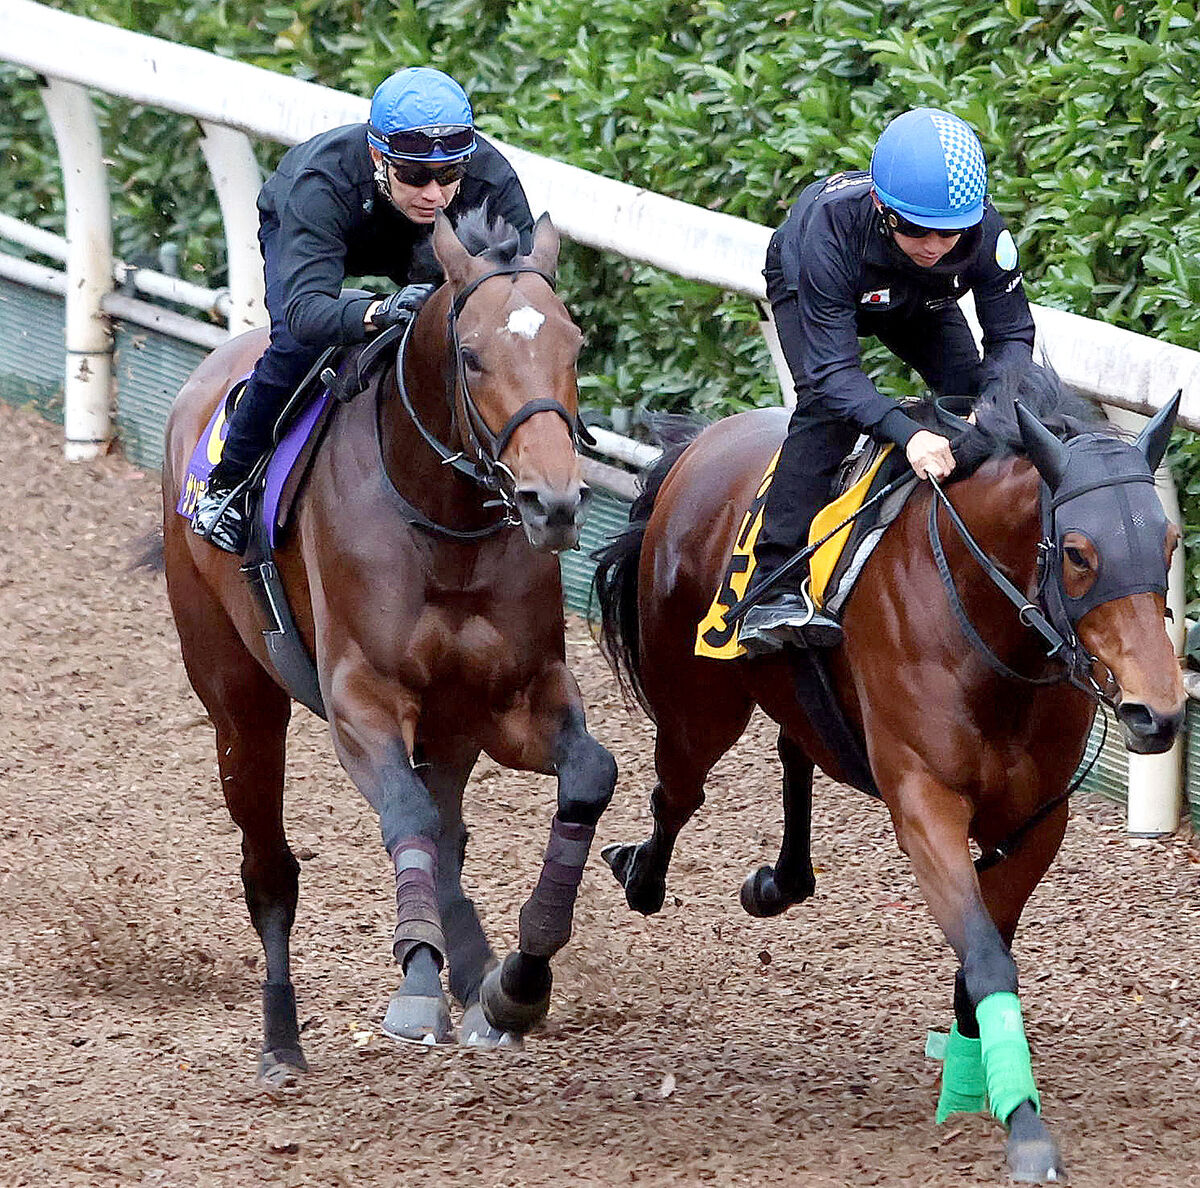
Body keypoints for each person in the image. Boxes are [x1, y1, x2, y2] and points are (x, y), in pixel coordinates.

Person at [192, 66, 535, 553]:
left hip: (423, 246)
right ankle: (229, 483)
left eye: (450, 175)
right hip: (337, 227)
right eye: (415, 175)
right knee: (296, 345)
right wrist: (379, 311)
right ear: (378, 155)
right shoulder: (319, 182)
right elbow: (306, 314)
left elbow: (522, 299)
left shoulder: (490, 179)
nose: (434, 194)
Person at [738, 107, 1035, 654]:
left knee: (972, 402)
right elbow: (834, 375)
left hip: (917, 300)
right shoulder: (830, 231)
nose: (932, 246)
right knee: (825, 411)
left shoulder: (987, 234)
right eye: (913, 228)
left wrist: (988, 407)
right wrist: (909, 434)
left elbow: (1013, 336)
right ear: (881, 206)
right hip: (820, 278)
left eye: (949, 234)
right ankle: (770, 585)